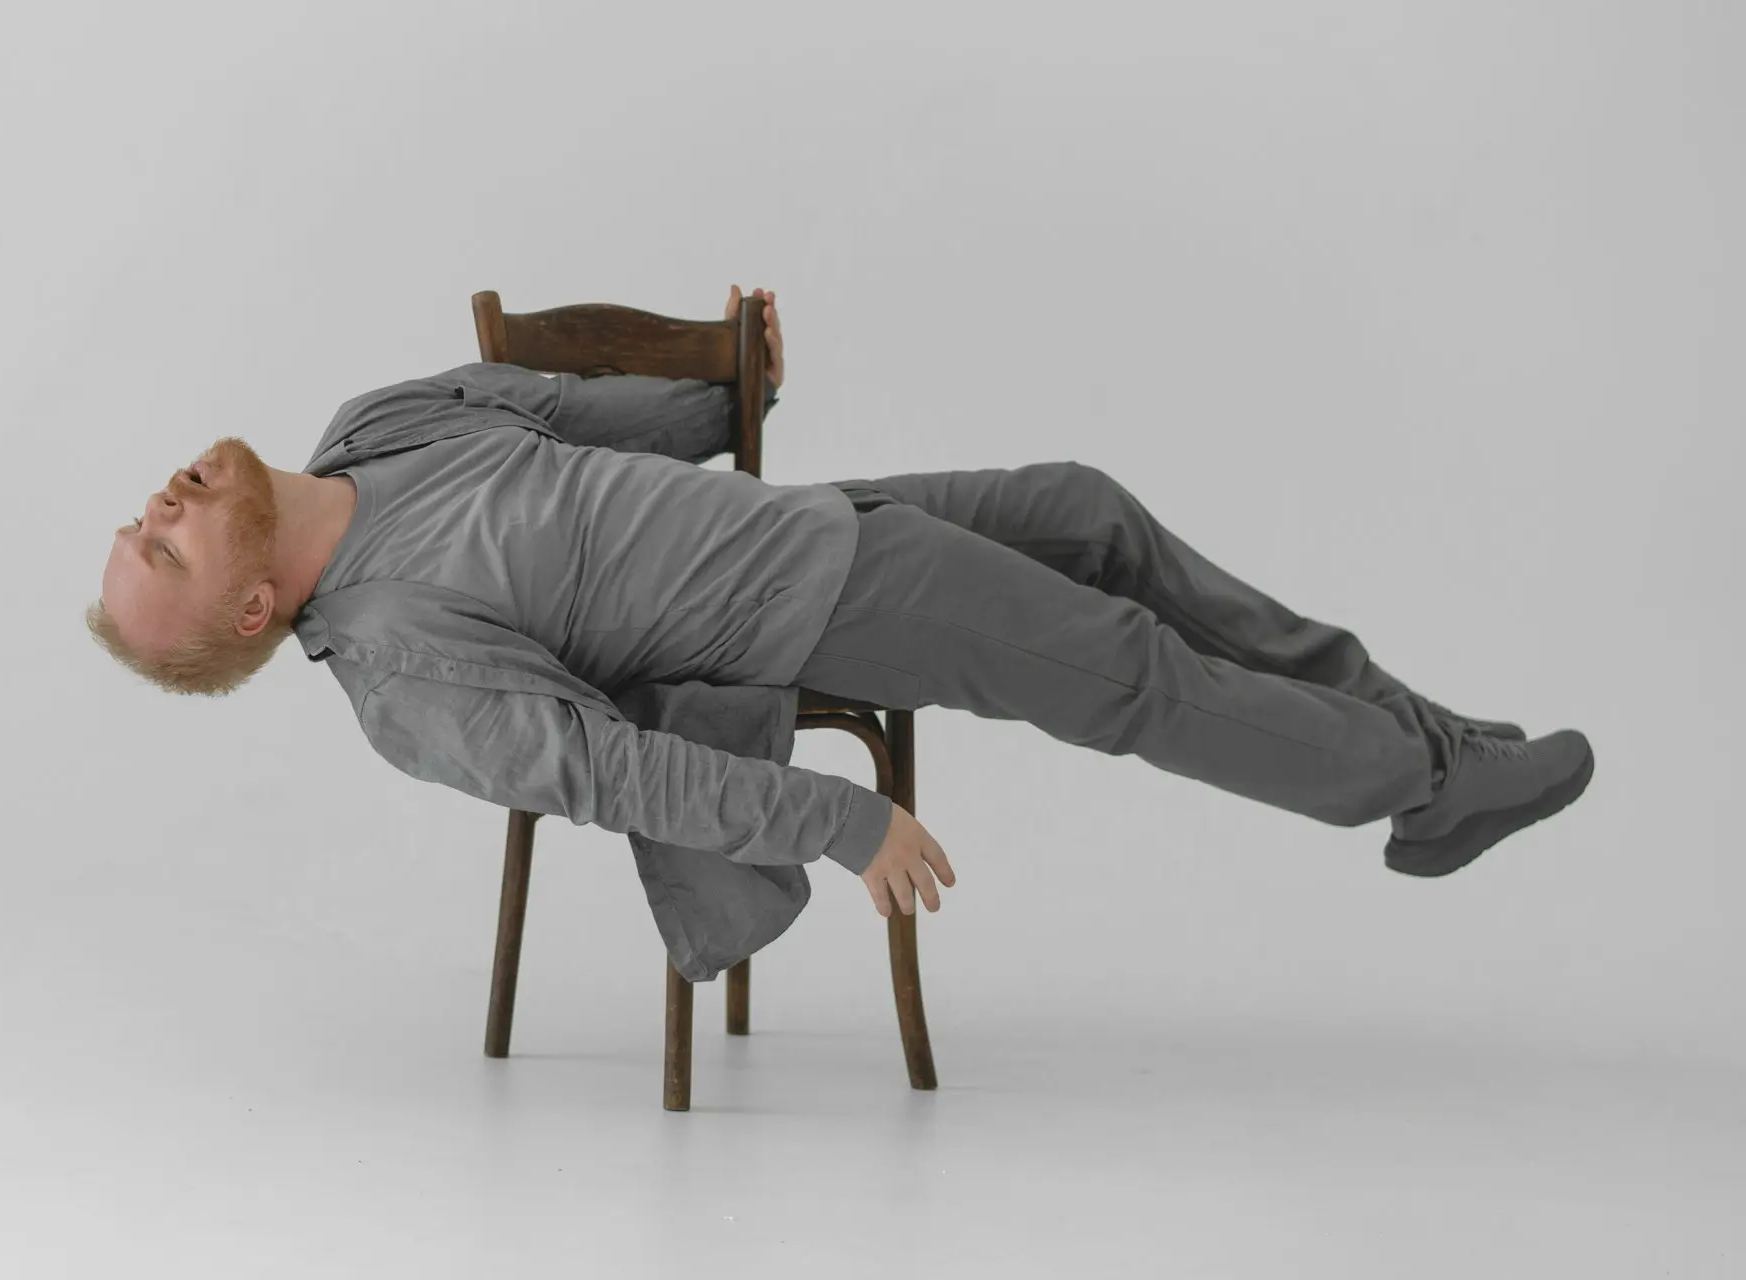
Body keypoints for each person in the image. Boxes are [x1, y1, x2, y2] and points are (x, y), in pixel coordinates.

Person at [88, 287, 1594, 921]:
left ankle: (1426, 742)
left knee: (1084, 504)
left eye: (140, 523)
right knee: (1125, 668)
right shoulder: (404, 677)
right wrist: (841, 820)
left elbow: (672, 430)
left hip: (806, 519)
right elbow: (613, 772)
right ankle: (1424, 785)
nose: (157, 511)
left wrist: (751, 373)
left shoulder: (378, 425)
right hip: (817, 604)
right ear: (251, 615)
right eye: (162, 553)